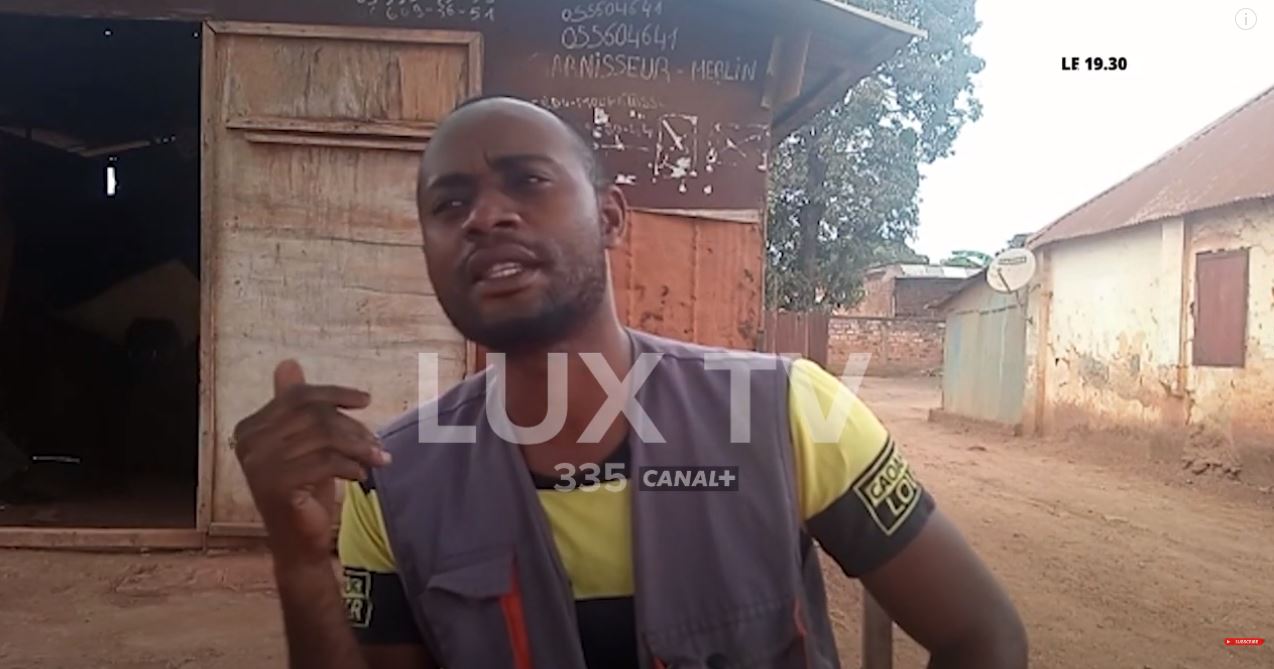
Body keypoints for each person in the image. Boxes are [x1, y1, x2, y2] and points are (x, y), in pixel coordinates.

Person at [232, 95, 1028, 669]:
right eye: (450, 203)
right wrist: (300, 565)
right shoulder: (391, 483)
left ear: (611, 218)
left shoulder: (788, 411)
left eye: (527, 181)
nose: (484, 216)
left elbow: (982, 633)